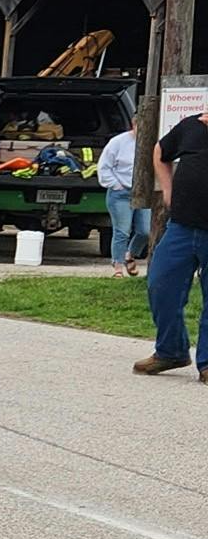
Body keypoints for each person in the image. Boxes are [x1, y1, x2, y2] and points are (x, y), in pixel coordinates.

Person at [134, 104, 208, 381]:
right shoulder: (191, 126)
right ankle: (171, 351)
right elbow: (161, 151)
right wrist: (167, 189)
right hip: (182, 226)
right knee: (160, 285)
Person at [96, 126, 151, 276]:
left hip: (143, 191)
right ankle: (118, 266)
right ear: (134, 125)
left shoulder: (152, 142)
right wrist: (116, 185)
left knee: (145, 231)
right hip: (121, 192)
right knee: (122, 231)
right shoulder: (118, 142)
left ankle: (130, 254)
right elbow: (104, 167)